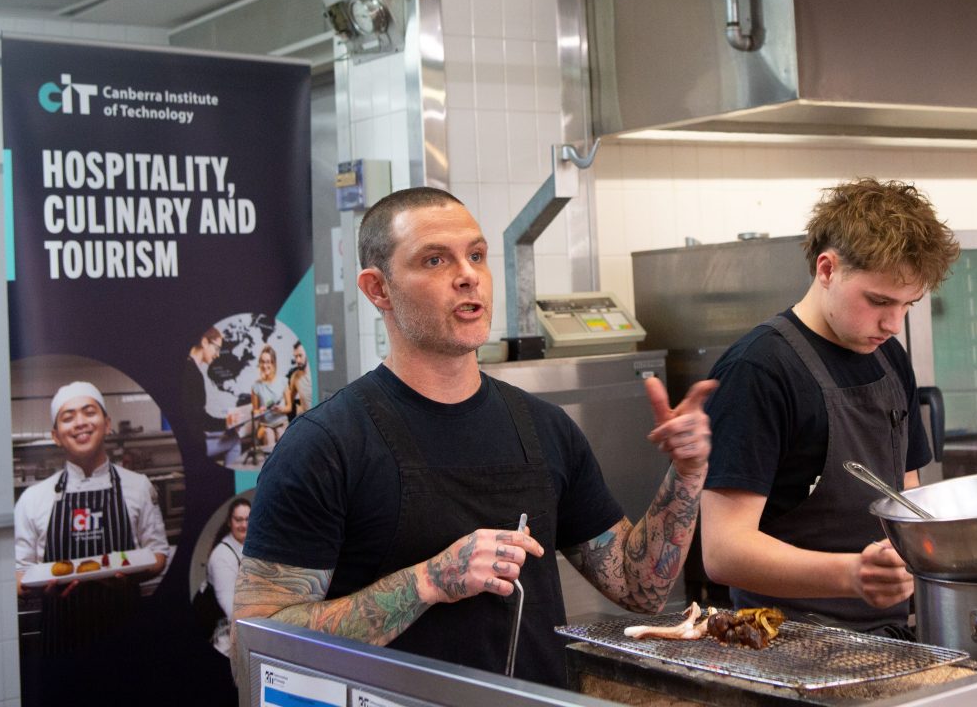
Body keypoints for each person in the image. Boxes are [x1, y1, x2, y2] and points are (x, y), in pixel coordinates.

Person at [233, 187, 716, 687]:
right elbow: (255, 646)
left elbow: (641, 589)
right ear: (378, 290)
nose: (468, 275)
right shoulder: (324, 446)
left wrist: (687, 474)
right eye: (435, 259)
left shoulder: (546, 428)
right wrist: (429, 580)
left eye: (477, 255)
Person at [699, 178, 959, 637]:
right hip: (789, 645)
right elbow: (723, 551)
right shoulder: (759, 370)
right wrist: (851, 575)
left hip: (890, 638)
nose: (892, 323)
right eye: (878, 301)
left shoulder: (887, 355)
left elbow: (908, 493)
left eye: (908, 305)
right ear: (827, 269)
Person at [14, 381, 170, 653]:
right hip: (61, 640)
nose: (80, 422)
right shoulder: (33, 498)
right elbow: (19, 573)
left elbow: (158, 554)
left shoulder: (138, 486)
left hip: (126, 636)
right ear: (55, 435)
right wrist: (39, 588)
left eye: (89, 412)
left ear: (107, 424)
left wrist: (131, 578)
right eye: (68, 417)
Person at [183, 326, 239, 464]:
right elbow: (201, 420)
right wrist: (226, 423)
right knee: (235, 441)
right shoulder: (193, 374)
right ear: (204, 342)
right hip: (196, 445)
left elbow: (194, 416)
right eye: (217, 348)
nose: (218, 354)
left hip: (190, 439)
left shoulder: (186, 368)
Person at [206, 498, 250, 656]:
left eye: (247, 519)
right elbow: (230, 609)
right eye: (238, 520)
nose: (244, 525)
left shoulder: (250, 546)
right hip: (225, 641)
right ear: (229, 522)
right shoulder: (222, 556)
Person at [250, 345, 291, 453]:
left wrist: (281, 409)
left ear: (273, 363)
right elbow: (254, 412)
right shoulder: (256, 386)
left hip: (281, 423)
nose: (265, 365)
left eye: (268, 362)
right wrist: (260, 411)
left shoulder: (283, 381)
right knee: (269, 437)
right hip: (265, 425)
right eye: (262, 362)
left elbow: (289, 407)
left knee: (282, 439)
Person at [287, 341, 313, 417]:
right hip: (306, 420)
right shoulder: (295, 376)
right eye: (295, 356)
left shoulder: (317, 374)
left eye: (300, 356)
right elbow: (289, 402)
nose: (297, 360)